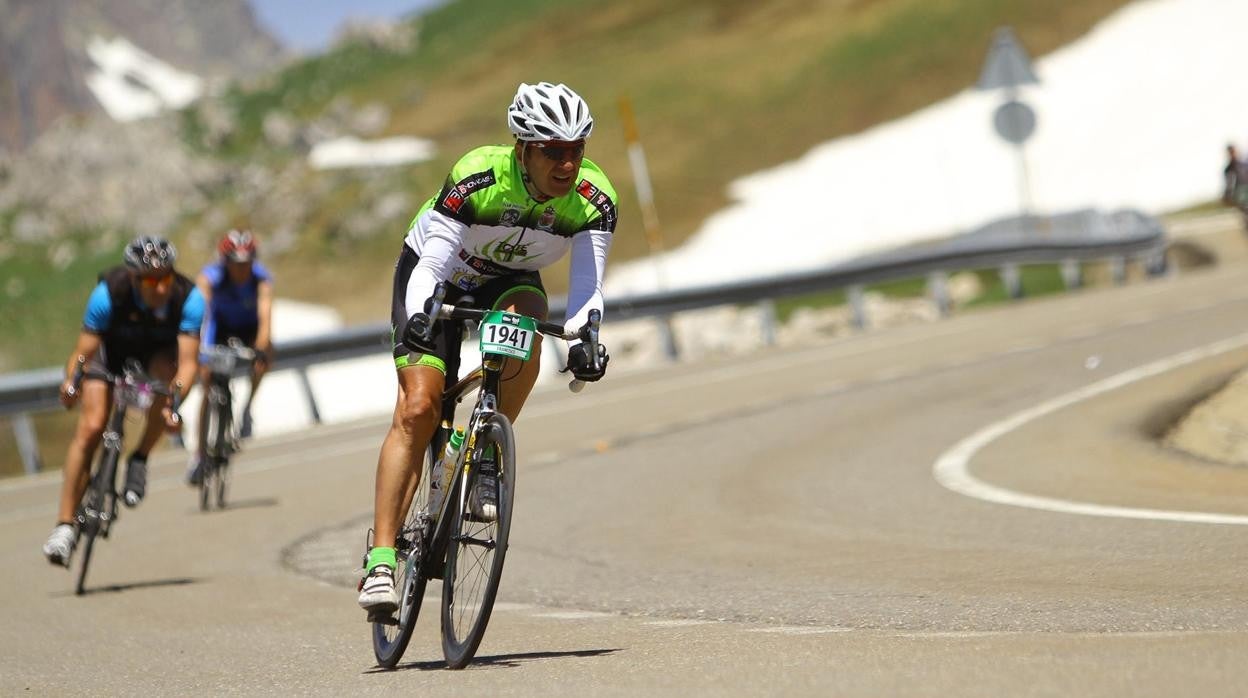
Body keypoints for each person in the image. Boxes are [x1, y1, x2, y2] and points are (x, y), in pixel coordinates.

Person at [357, 82, 616, 614]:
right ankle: (380, 560)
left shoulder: (594, 197)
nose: (566, 164)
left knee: (529, 327)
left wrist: (588, 336)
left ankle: (483, 451)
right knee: (420, 408)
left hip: (509, 281)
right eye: (552, 151)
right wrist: (423, 315)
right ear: (522, 147)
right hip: (440, 276)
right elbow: (430, 263)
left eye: (576, 151)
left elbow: (588, 286)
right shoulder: (477, 175)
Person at [42, 235, 203, 566]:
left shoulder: (189, 298)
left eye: (165, 278)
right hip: (110, 356)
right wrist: (71, 383)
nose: (160, 287)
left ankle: (139, 458)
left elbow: (188, 363)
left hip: (157, 357)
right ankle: (64, 525)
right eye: (150, 280)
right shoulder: (108, 293)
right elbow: (83, 353)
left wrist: (174, 403)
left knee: (165, 382)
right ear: (134, 277)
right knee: (90, 427)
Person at [186, 229, 274, 485]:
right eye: (236, 264)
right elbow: (205, 317)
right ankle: (200, 455)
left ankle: (247, 409)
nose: (241, 269)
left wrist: (260, 348)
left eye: (246, 264)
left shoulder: (261, 280)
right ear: (225, 262)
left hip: (248, 329)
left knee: (266, 355)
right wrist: (202, 350)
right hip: (219, 329)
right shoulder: (210, 279)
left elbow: (265, 320)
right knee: (207, 382)